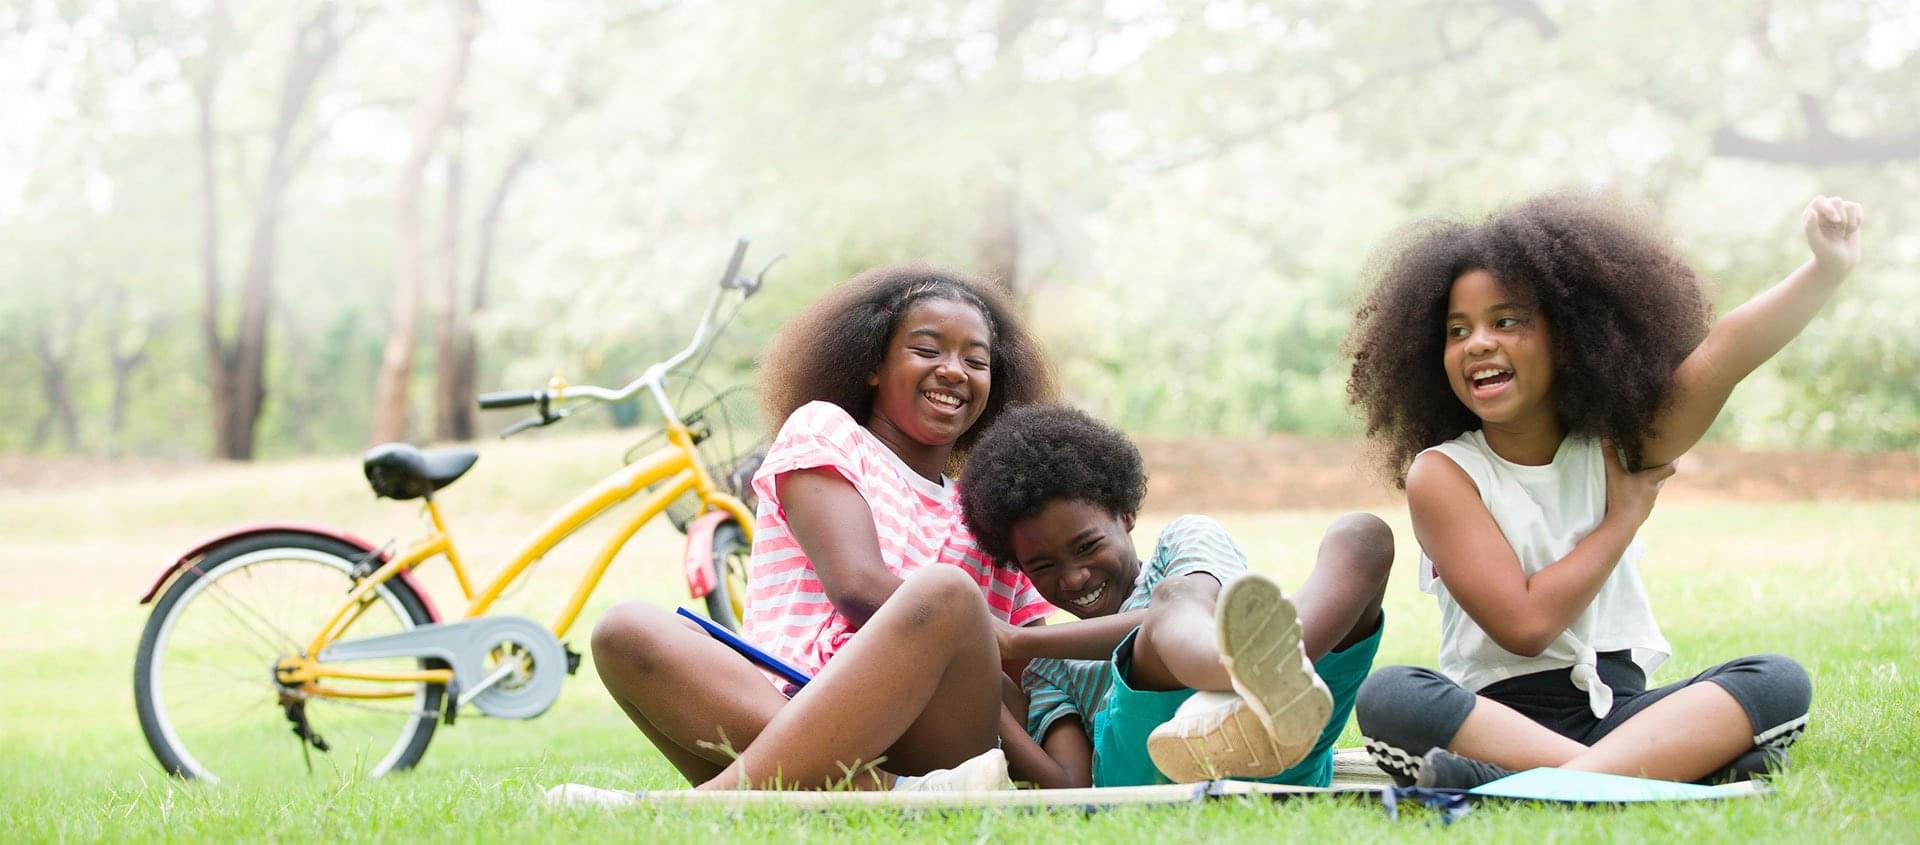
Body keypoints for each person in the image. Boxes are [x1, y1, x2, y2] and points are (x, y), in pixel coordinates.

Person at [1343, 192, 1857, 789]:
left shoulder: (1618, 448)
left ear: (1569, 338)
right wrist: (1622, 521)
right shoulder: (1446, 472)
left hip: (1624, 716)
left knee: (1776, 680)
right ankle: (1651, 776)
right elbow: (1526, 625)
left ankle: (1522, 783)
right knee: (1394, 695)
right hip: (1500, 721)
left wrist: (1825, 271)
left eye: (1506, 321)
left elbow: (1725, 353)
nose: (1479, 342)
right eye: (1458, 331)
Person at [581, 265, 1064, 795]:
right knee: (624, 629)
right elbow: (856, 586)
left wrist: (973, 641)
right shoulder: (826, 431)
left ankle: (713, 803)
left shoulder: (989, 511)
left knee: (947, 594)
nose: (953, 371)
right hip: (777, 706)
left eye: (976, 361)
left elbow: (1031, 677)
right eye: (928, 350)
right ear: (872, 365)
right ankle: (882, 794)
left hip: (931, 737)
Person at [957, 403, 1395, 788]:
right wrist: (987, 702)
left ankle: (1252, 681)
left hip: (1285, 752)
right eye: (1043, 567)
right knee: (1169, 608)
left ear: (1125, 513)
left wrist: (1018, 640)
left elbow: (1207, 602)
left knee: (1362, 534)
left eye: (1087, 546)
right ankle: (1254, 682)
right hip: (1149, 771)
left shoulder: (1183, 541)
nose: (1073, 578)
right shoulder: (1050, 672)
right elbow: (1070, 784)